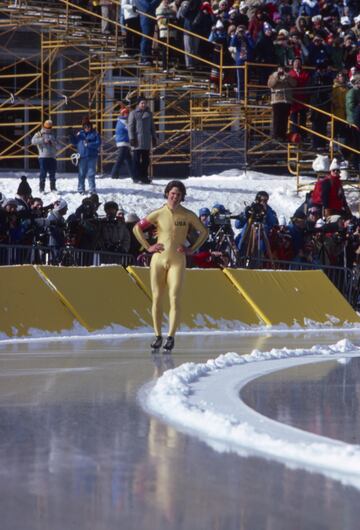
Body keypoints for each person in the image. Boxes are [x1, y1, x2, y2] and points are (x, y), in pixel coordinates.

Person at [133, 180, 208, 352]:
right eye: (172, 193)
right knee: (157, 298)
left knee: (174, 298)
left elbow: (204, 232)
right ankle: (158, 335)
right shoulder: (158, 213)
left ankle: (171, 337)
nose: (175, 197)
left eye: (178, 194)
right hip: (158, 260)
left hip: (177, 260)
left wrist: (192, 249)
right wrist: (148, 247)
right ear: (167, 193)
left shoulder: (187, 214)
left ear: (182, 197)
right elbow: (137, 228)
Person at [128, 96, 157, 184]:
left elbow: (152, 127)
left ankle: (144, 176)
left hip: (146, 140)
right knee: (136, 160)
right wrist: (132, 138)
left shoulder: (149, 114)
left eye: (145, 103)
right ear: (138, 104)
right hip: (137, 140)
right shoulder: (133, 113)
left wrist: (154, 137)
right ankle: (136, 177)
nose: (143, 105)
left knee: (146, 161)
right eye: (142, 103)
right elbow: (130, 127)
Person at [71, 117, 101, 195]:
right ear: (83, 127)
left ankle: (92, 189)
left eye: (88, 126)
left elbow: (98, 143)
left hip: (92, 156)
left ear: (91, 126)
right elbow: (74, 142)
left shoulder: (95, 134)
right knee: (81, 174)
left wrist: (89, 144)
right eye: (85, 126)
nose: (87, 128)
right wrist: (71, 135)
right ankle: (81, 189)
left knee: (91, 173)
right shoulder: (80, 134)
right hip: (82, 157)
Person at [267, 65, 296, 141]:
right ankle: (276, 136)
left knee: (284, 119)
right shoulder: (273, 76)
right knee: (277, 119)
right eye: (280, 69)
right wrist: (277, 77)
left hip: (286, 100)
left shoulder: (288, 76)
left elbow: (294, 84)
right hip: (277, 100)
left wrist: (288, 77)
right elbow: (270, 85)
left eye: (282, 69)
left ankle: (283, 135)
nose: (281, 71)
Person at [31, 119, 58, 193]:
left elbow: (57, 144)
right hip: (43, 157)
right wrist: (43, 140)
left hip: (52, 157)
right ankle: (41, 188)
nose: (48, 129)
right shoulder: (39, 134)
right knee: (43, 173)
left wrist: (52, 142)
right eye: (47, 127)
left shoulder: (53, 134)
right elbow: (33, 141)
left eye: (49, 128)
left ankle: (53, 188)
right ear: (44, 126)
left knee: (52, 173)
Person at [111, 105, 134, 180]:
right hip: (123, 142)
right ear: (122, 114)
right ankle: (114, 174)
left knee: (129, 160)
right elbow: (129, 129)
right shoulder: (123, 122)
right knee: (120, 159)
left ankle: (133, 175)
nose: (127, 114)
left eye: (128, 113)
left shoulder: (122, 121)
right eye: (126, 113)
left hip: (125, 142)